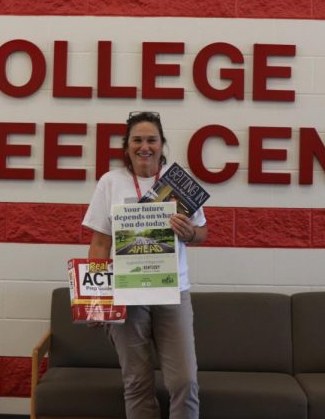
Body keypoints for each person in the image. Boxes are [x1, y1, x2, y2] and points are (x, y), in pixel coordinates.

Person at [82, 111, 208, 419]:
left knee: (185, 381)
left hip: (173, 293)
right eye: (137, 140)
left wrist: (189, 232)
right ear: (126, 146)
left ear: (162, 144)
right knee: (137, 382)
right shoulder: (110, 182)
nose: (144, 147)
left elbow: (202, 233)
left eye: (151, 140)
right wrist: (95, 300)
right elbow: (100, 244)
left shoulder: (179, 183)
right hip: (127, 293)